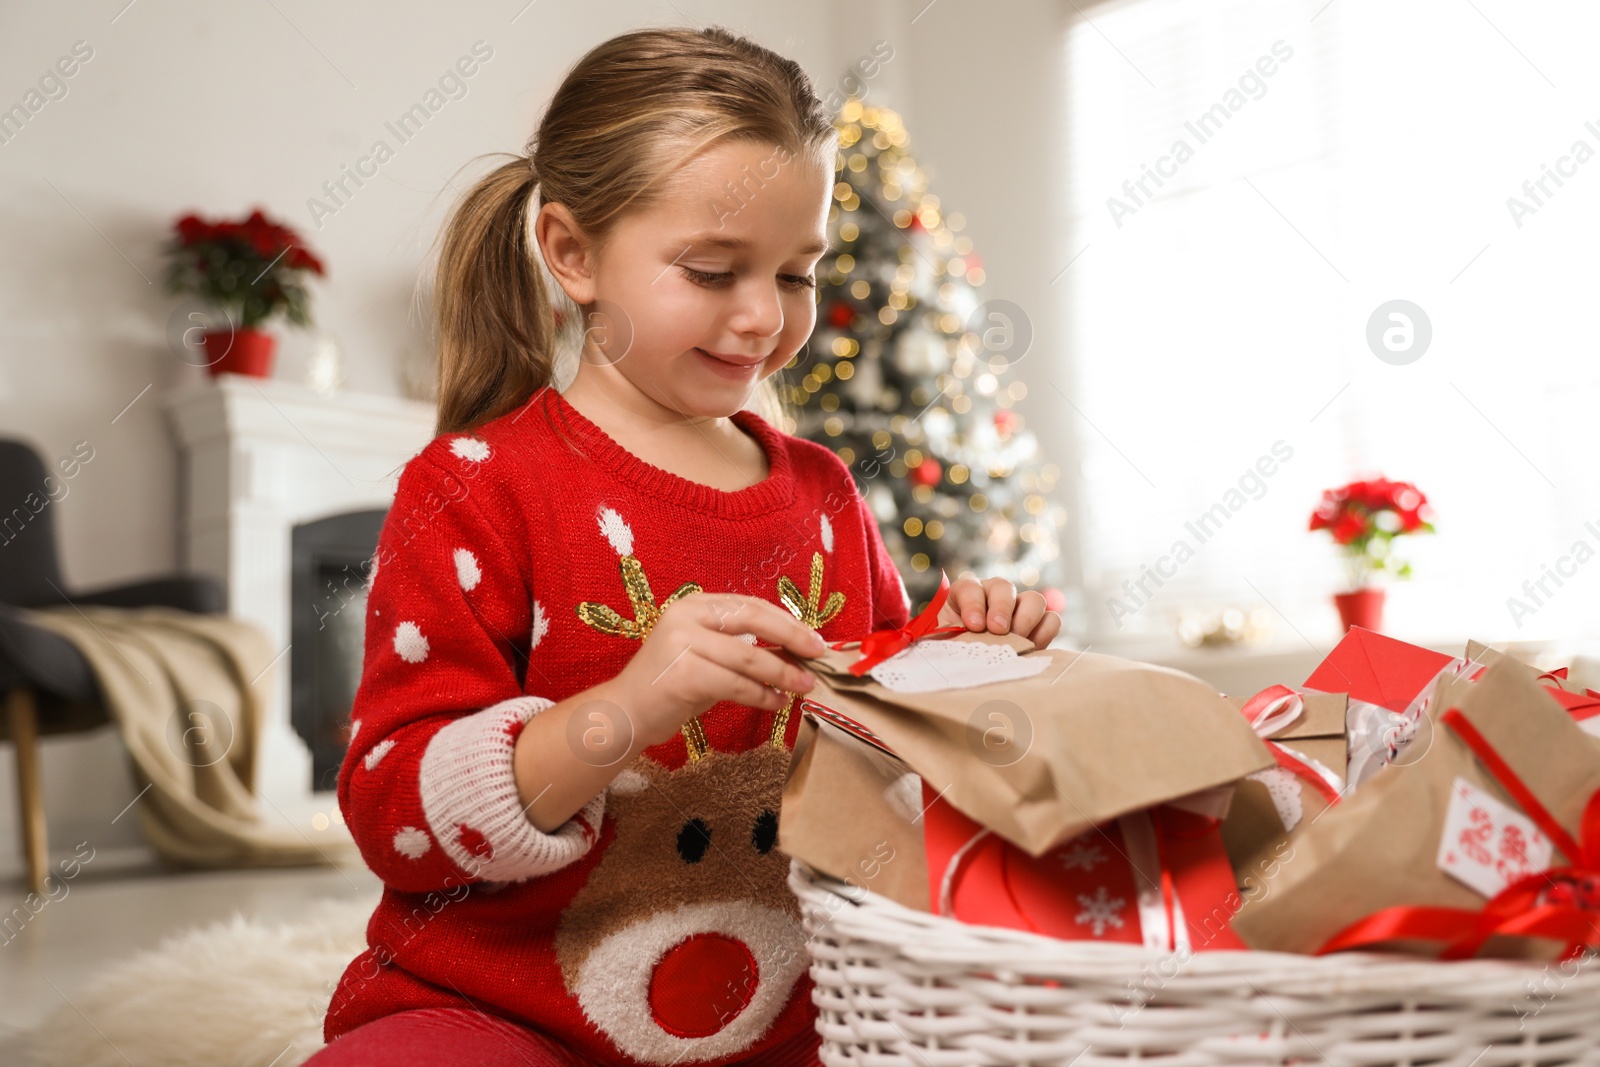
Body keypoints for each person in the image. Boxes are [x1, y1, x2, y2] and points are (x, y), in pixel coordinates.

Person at [307, 25, 1062, 1067]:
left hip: (793, 1022)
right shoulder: (472, 489)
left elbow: (884, 741)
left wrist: (966, 653)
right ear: (572, 253)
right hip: (499, 1013)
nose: (762, 316)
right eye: (712, 271)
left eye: (797, 274)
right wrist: (626, 707)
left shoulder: (822, 494)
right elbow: (393, 810)